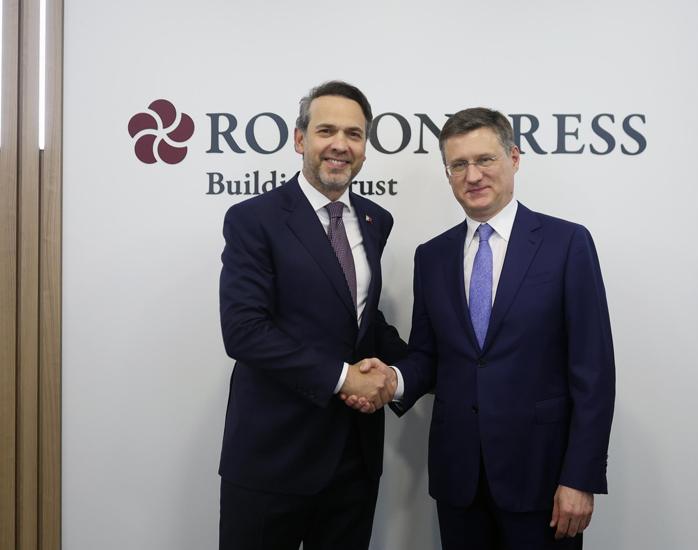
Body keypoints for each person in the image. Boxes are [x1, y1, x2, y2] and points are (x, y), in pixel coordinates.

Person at [345, 107, 615, 549]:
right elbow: (429, 356)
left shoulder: (567, 244)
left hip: (543, 480)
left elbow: (594, 372)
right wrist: (392, 380)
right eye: (458, 165)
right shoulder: (432, 256)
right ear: (448, 173)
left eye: (484, 159)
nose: (472, 175)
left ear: (514, 158)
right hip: (459, 480)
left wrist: (580, 477)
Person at [218, 80, 407, 550]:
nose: (340, 144)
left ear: (365, 147)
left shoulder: (376, 220)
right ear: (300, 139)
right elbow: (244, 331)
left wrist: (410, 371)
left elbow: (359, 320)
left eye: (354, 134)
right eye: (326, 131)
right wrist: (344, 378)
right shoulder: (253, 219)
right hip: (272, 458)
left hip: (353, 461)